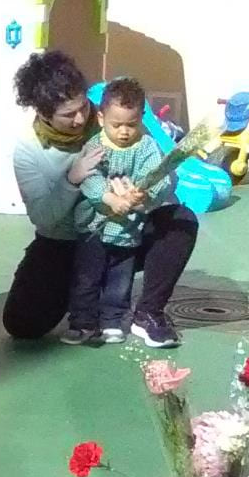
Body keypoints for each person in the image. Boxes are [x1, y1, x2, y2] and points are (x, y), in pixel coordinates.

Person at [2, 50, 196, 348]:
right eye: (68, 115)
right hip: (67, 241)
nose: (81, 119)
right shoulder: (28, 151)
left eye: (84, 107)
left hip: (126, 228)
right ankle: (83, 296)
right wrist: (72, 180)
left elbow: (165, 172)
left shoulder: (117, 120)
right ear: (42, 113)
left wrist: (140, 195)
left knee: (181, 220)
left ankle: (147, 314)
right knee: (23, 324)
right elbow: (44, 218)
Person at [64, 77, 172, 346]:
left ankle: (112, 321)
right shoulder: (95, 145)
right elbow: (90, 178)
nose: (124, 131)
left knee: (119, 279)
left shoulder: (146, 146)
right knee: (87, 277)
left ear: (141, 119)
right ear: (101, 118)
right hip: (94, 227)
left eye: (131, 124)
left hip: (128, 228)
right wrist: (110, 198)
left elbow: (160, 177)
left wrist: (143, 192)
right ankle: (82, 322)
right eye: (117, 124)